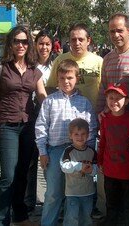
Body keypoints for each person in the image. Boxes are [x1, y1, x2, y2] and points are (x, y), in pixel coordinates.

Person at [0, 25, 47, 226]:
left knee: (22, 175)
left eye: (25, 41)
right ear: (11, 43)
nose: (21, 45)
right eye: (17, 41)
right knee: (8, 176)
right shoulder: (0, 67)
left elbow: (43, 97)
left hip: (29, 127)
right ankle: (0, 220)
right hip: (7, 126)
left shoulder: (34, 71)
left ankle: (20, 216)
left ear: (29, 45)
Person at [35, 59, 97, 226]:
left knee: (77, 190)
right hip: (55, 150)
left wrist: (89, 152)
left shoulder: (84, 102)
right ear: (57, 79)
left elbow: (91, 127)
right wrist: (42, 151)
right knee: (53, 192)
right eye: (62, 78)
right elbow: (41, 126)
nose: (66, 81)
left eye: (69, 77)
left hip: (79, 151)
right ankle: (48, 223)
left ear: (77, 78)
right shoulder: (50, 101)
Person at [97, 82, 129, 226]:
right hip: (110, 170)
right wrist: (100, 162)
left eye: (118, 98)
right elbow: (103, 141)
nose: (114, 102)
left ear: (127, 101)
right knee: (111, 204)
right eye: (110, 98)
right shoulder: (105, 119)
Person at [24, 29, 57, 213]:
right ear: (35, 44)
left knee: (49, 159)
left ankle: (52, 198)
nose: (44, 47)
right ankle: (29, 200)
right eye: (41, 43)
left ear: (52, 46)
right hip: (32, 114)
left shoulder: (56, 64)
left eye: (47, 44)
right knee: (30, 159)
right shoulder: (29, 65)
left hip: (51, 116)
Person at [46, 23, 103, 111]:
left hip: (92, 116)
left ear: (88, 40)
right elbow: (50, 87)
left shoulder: (99, 61)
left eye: (81, 39)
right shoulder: (60, 60)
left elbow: (104, 90)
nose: (77, 43)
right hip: (65, 115)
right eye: (73, 40)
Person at [60, 118, 97, 226]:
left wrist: (91, 170)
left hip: (88, 192)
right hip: (72, 192)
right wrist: (79, 166)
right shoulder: (68, 151)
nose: (80, 137)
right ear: (70, 135)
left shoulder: (91, 151)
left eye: (83, 134)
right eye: (76, 134)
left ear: (88, 135)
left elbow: (96, 169)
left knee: (86, 218)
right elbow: (64, 167)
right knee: (72, 218)